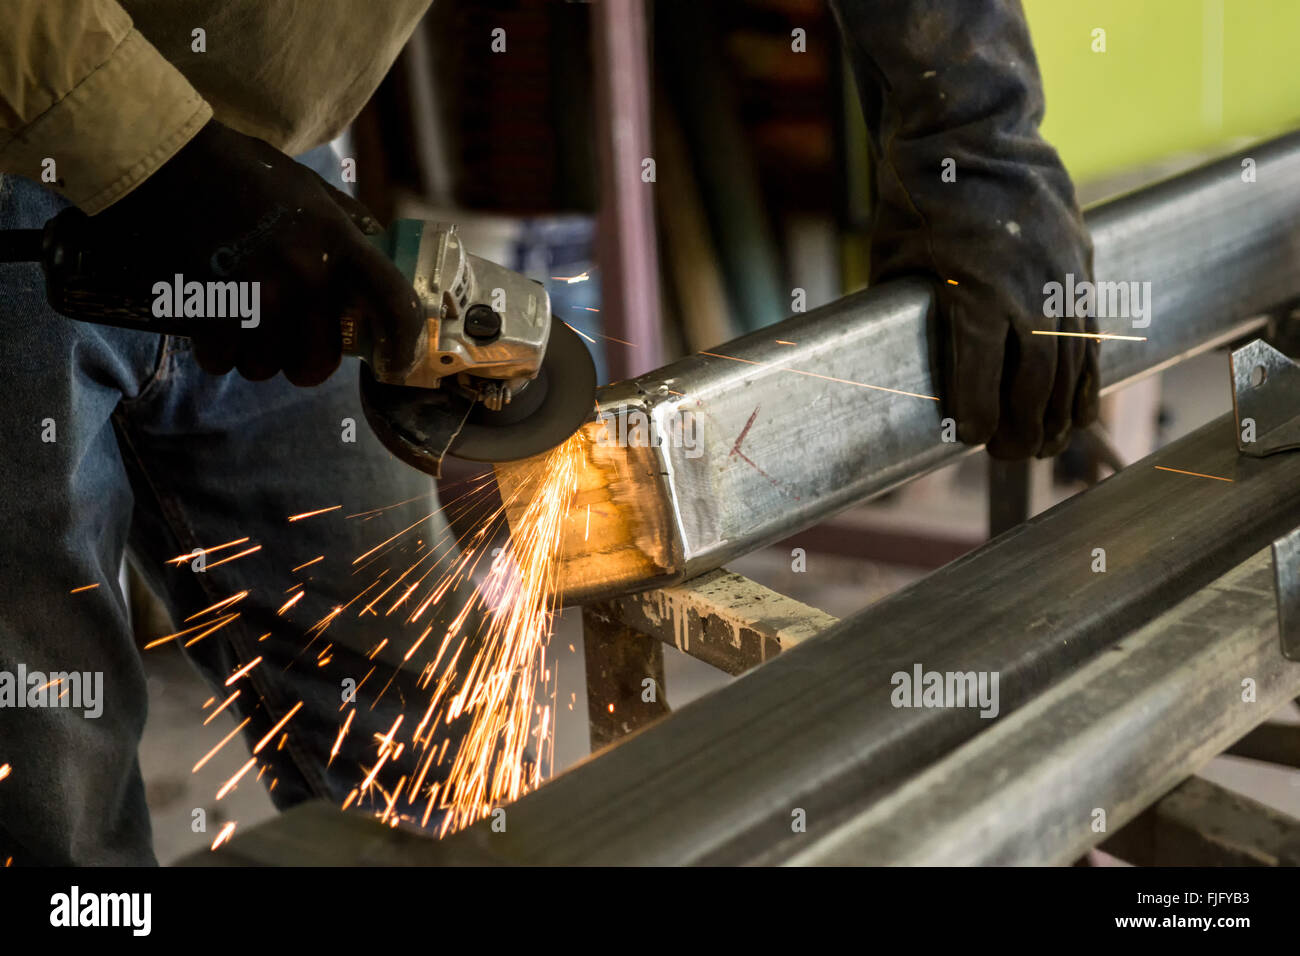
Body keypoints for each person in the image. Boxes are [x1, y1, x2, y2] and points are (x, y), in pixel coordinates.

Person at [0, 0, 1094, 865]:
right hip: (25, 144)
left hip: (279, 178)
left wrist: (976, 135)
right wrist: (169, 162)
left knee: (429, 727)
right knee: (52, 793)